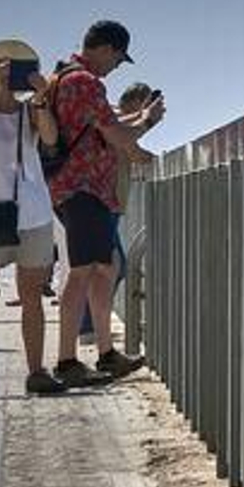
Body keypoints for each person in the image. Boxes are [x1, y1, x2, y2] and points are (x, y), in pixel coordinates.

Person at [45, 20, 163, 387]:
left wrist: (137, 121)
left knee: (105, 267)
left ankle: (107, 354)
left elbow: (104, 125)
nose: (115, 67)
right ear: (107, 48)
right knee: (81, 272)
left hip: (82, 188)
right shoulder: (86, 83)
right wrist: (147, 120)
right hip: (84, 188)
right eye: (117, 58)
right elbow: (116, 135)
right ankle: (67, 361)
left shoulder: (66, 76)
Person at [0, 40, 63, 396]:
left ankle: (36, 371)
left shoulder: (31, 110)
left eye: (11, 68)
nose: (7, 73)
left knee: (31, 294)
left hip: (32, 211)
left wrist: (40, 98)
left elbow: (50, 138)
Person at [78, 82, 161, 347]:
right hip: (106, 202)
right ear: (138, 103)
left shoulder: (117, 120)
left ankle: (89, 325)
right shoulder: (114, 120)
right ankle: (89, 326)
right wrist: (159, 159)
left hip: (111, 202)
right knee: (113, 267)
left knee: (107, 267)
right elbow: (133, 152)